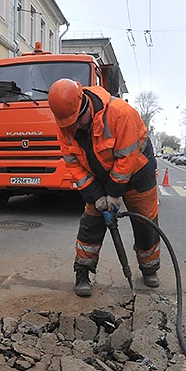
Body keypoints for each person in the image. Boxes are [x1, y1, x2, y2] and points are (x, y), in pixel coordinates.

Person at [48, 79, 161, 297]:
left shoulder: (120, 114)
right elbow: (73, 163)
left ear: (84, 105)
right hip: (99, 174)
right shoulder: (65, 124)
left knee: (145, 221)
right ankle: (82, 272)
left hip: (138, 171)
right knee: (91, 222)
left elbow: (126, 159)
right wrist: (96, 195)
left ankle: (149, 269)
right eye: (67, 123)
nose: (74, 127)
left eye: (77, 121)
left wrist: (114, 193)